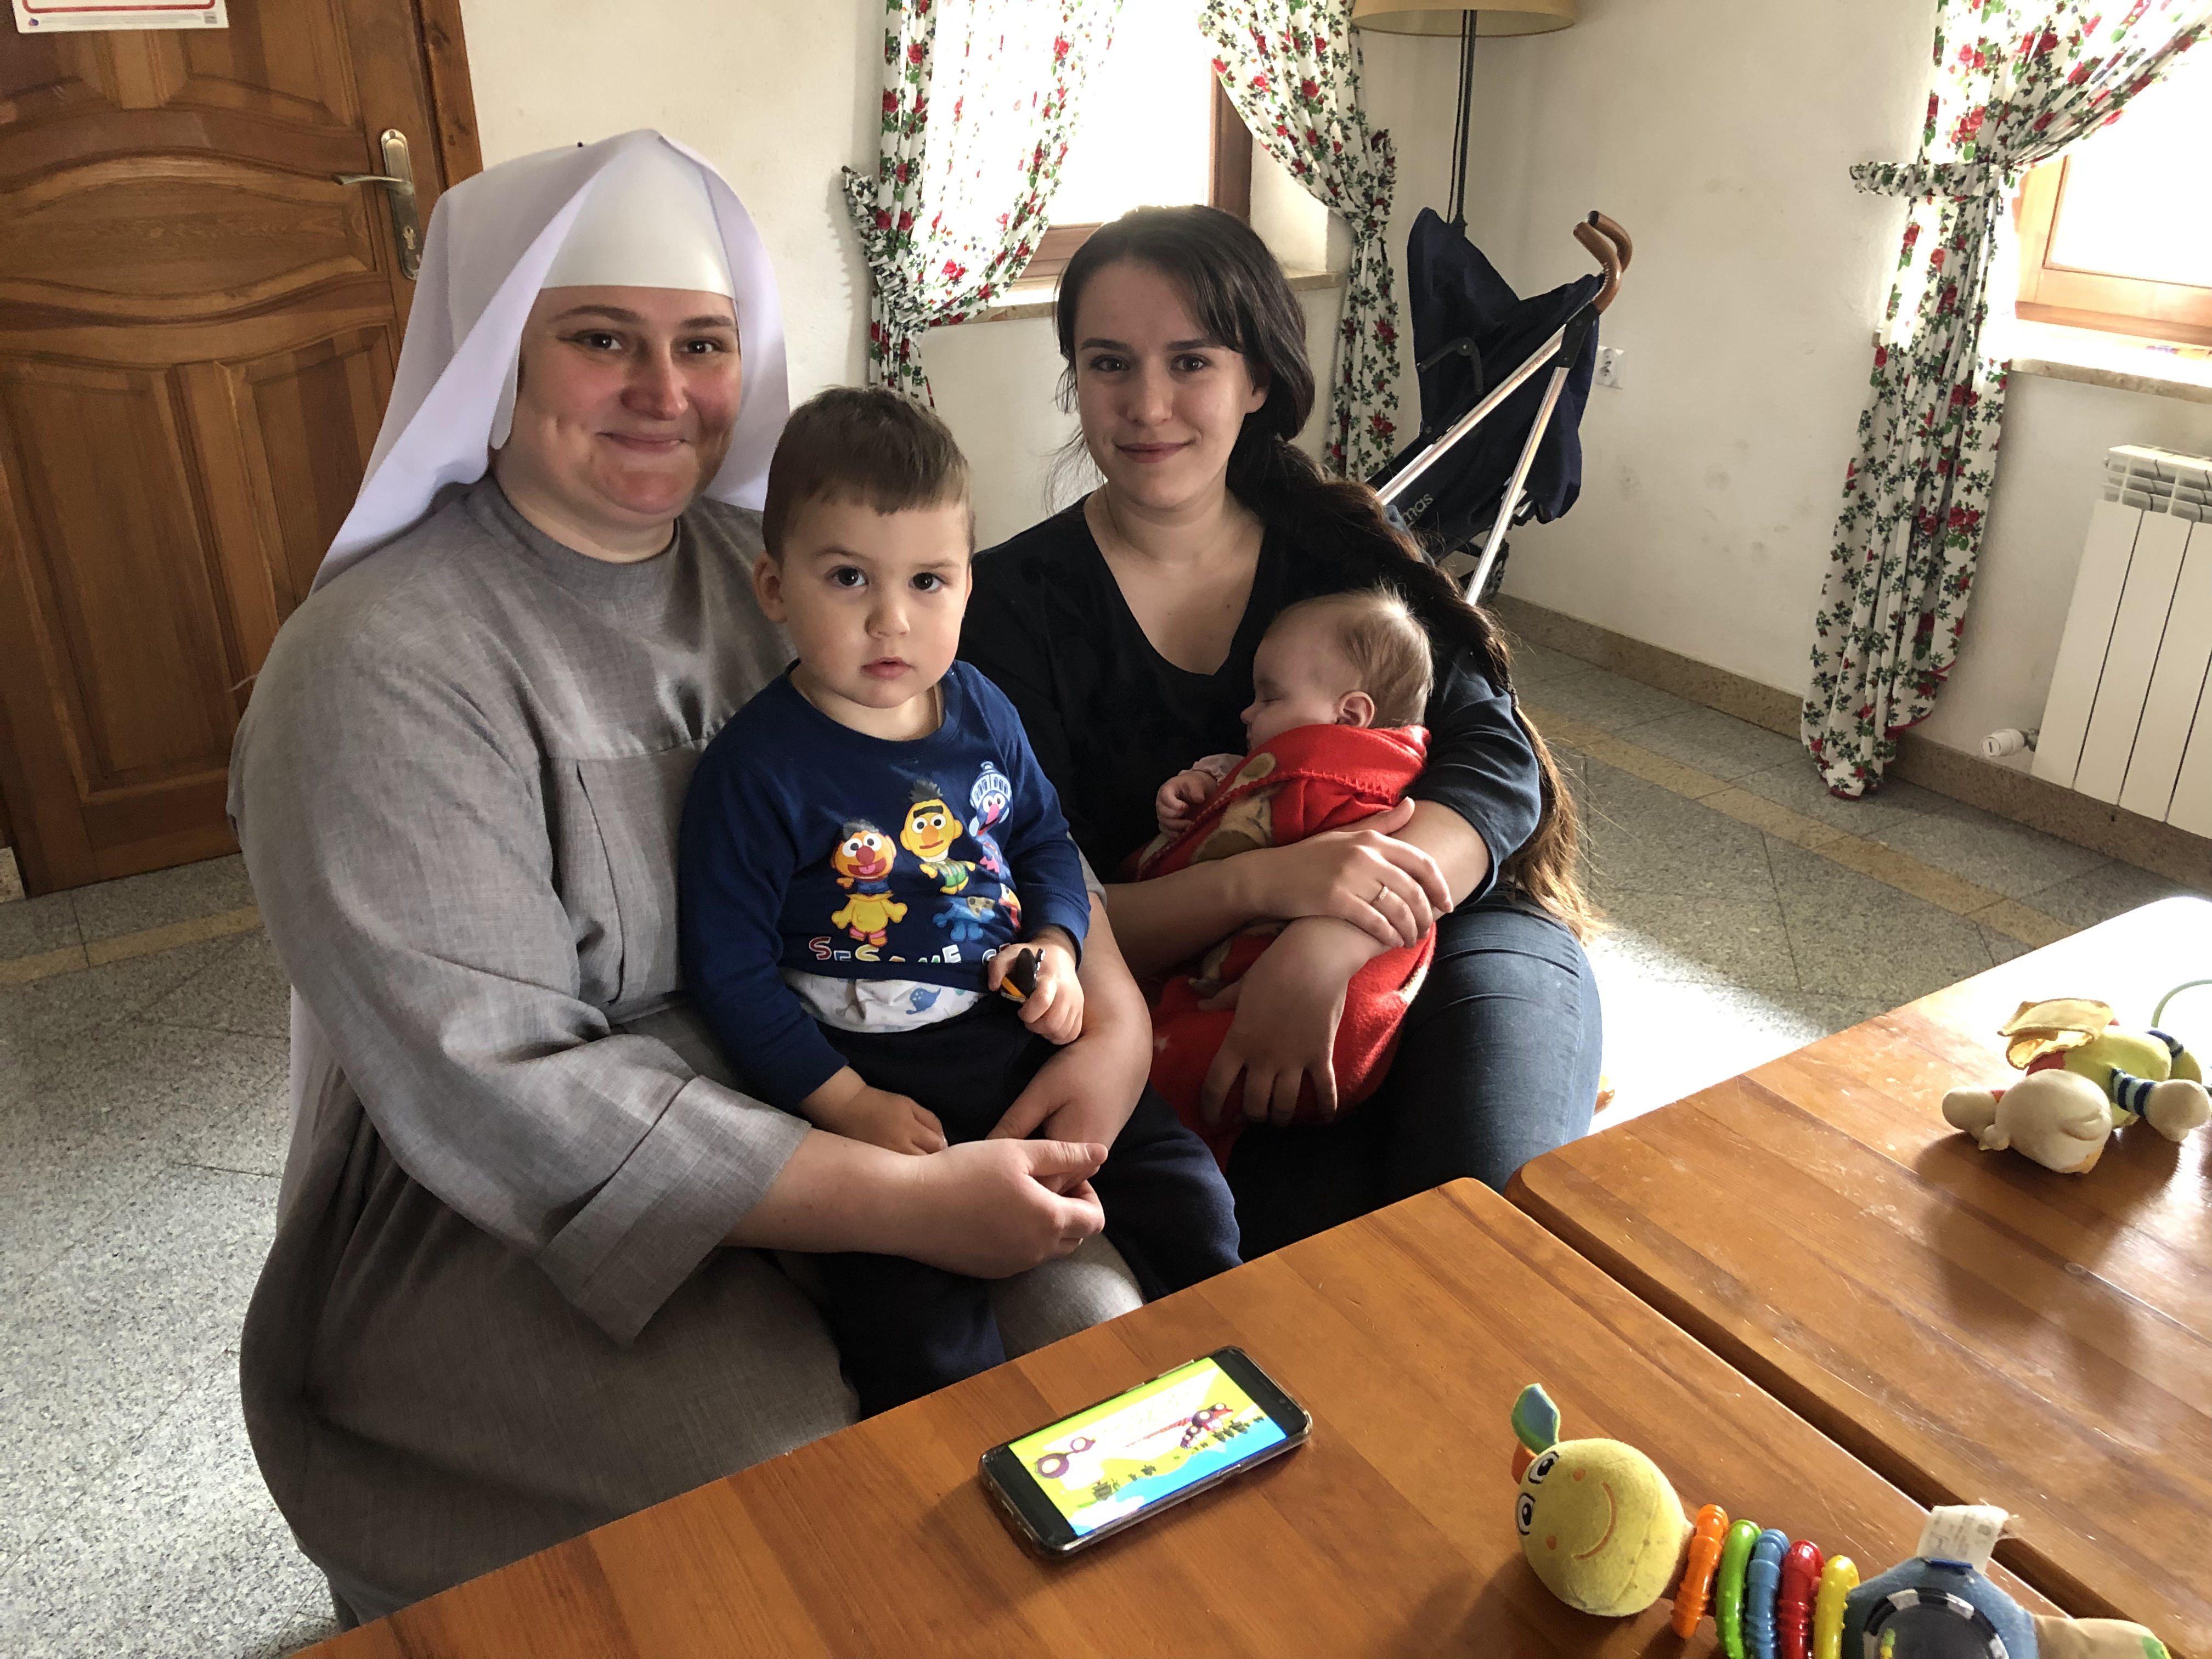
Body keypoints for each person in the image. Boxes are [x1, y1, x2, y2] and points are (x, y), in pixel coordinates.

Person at [229, 132, 1152, 1626]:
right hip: (500, 1201)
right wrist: (895, 1206)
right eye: (602, 341)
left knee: (1087, 1332)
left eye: (704, 346)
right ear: (499, 361)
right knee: (769, 1467)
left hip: (866, 1083)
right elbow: (497, 1092)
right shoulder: (377, 664)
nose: (666, 393)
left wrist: (1119, 1033)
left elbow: (988, 812)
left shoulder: (790, 564)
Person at [962, 205, 1604, 1259]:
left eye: (1191, 361)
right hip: (1189, 1000)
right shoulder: (1007, 610)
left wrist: (1332, 933)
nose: (1148, 404)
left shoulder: (1336, 546)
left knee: (1492, 1224)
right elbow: (1052, 906)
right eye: (1109, 362)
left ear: (1256, 378)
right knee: (1301, 1270)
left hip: (1446, 936)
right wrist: (1269, 890)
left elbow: (1495, 762)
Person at [678, 387, 1239, 1416]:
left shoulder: (980, 705)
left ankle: (1214, 1401)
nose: (892, 618)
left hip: (1013, 1036)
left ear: (966, 584)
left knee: (1190, 1193)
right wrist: (844, 1104)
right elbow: (729, 970)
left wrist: (1059, 946)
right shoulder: (756, 769)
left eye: (927, 579)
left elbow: (1040, 841)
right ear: (773, 585)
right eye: (847, 577)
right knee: (915, 1330)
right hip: (873, 1080)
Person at [1135, 589, 1437, 1170]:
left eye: (1269, 697)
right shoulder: (1372, 777)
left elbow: (1207, 853)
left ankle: (1162, 1168)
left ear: (1349, 717)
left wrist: (1180, 836)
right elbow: (1250, 808)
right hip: (1350, 1042)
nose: (1247, 714)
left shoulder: (1315, 776)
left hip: (1303, 1028)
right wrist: (1208, 784)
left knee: (1154, 1073)